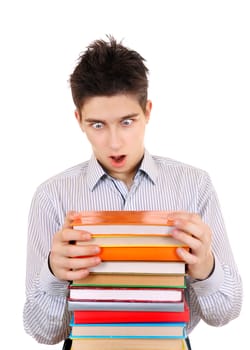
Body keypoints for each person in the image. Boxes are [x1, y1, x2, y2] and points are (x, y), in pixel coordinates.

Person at [23, 35, 242, 349]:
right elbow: (43, 333)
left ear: (148, 111)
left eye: (127, 122)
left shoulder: (194, 185)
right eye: (97, 125)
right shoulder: (52, 196)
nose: (114, 143)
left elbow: (225, 313)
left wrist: (205, 265)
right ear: (78, 120)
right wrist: (52, 273)